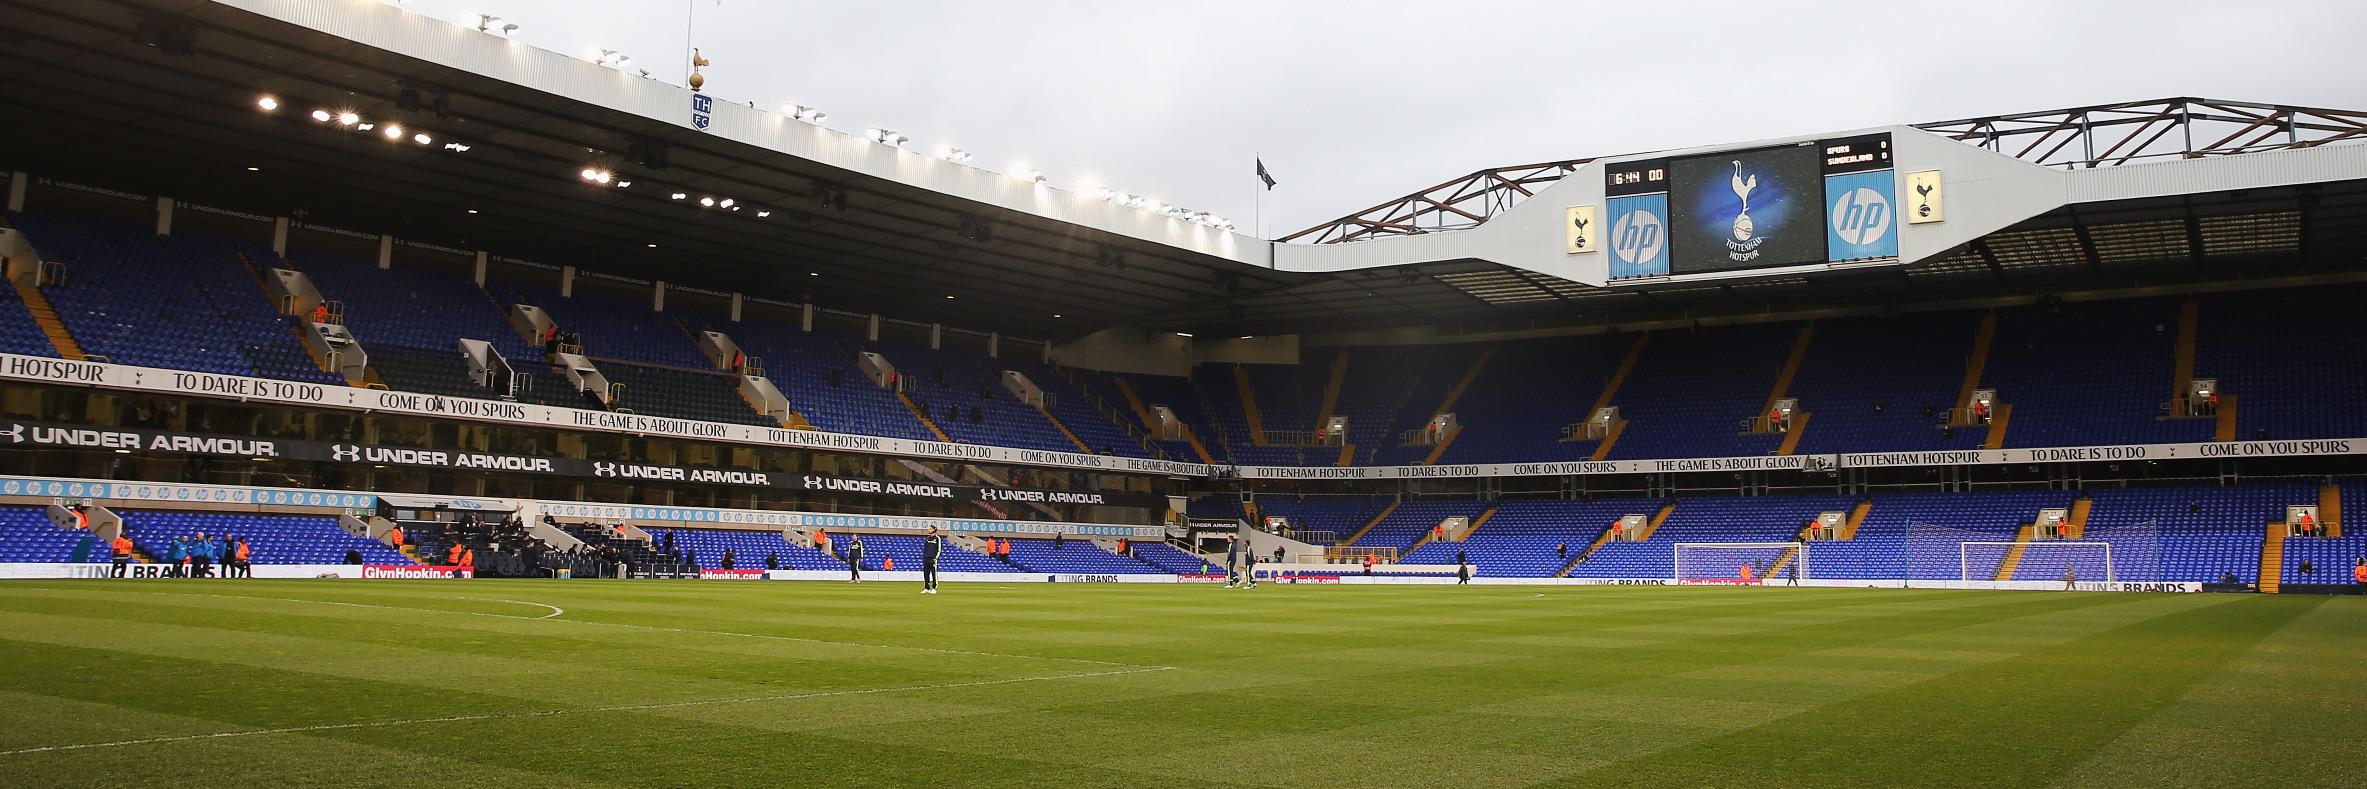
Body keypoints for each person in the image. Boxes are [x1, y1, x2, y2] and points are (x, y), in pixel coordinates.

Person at [921, 526, 942, 594]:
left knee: (933, 574)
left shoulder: (937, 538)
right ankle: (926, 587)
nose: (928, 530)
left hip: (933, 559)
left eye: (930, 529)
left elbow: (939, 549)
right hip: (926, 558)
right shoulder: (927, 538)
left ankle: (934, 588)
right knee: (926, 574)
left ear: (934, 530)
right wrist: (924, 557)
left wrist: (936, 558)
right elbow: (925, 548)